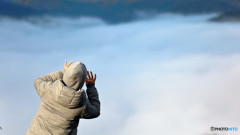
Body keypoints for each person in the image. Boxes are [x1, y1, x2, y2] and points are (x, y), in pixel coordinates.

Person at [26, 60, 100, 135]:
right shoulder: (81, 105)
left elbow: (38, 81)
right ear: (82, 82)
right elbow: (96, 111)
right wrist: (91, 87)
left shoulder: (48, 89)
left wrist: (62, 73)